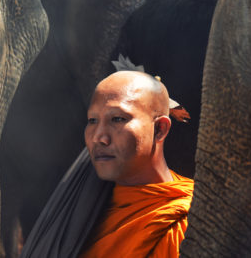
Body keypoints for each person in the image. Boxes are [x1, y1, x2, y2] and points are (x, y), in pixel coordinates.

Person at [80, 70, 194, 258]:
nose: (99, 137)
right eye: (92, 121)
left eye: (117, 119)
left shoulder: (188, 220)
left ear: (159, 129)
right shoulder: (81, 210)